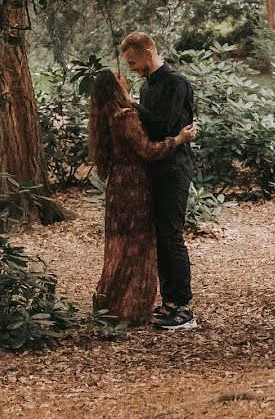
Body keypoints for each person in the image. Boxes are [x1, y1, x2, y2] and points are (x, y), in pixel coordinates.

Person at [89, 69, 196, 324]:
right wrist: (179, 139)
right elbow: (147, 150)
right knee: (135, 247)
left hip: (118, 186)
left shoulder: (107, 115)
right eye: (119, 76)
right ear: (116, 86)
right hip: (134, 186)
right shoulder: (125, 116)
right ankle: (129, 309)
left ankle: (110, 305)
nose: (125, 75)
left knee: (119, 246)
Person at [119, 32, 197, 330]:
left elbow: (165, 126)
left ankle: (184, 308)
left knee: (171, 237)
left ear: (149, 51)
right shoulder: (147, 86)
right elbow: (149, 130)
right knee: (160, 239)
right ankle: (169, 303)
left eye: (133, 61)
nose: (132, 68)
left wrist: (131, 104)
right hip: (155, 167)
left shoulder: (176, 82)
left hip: (175, 169)